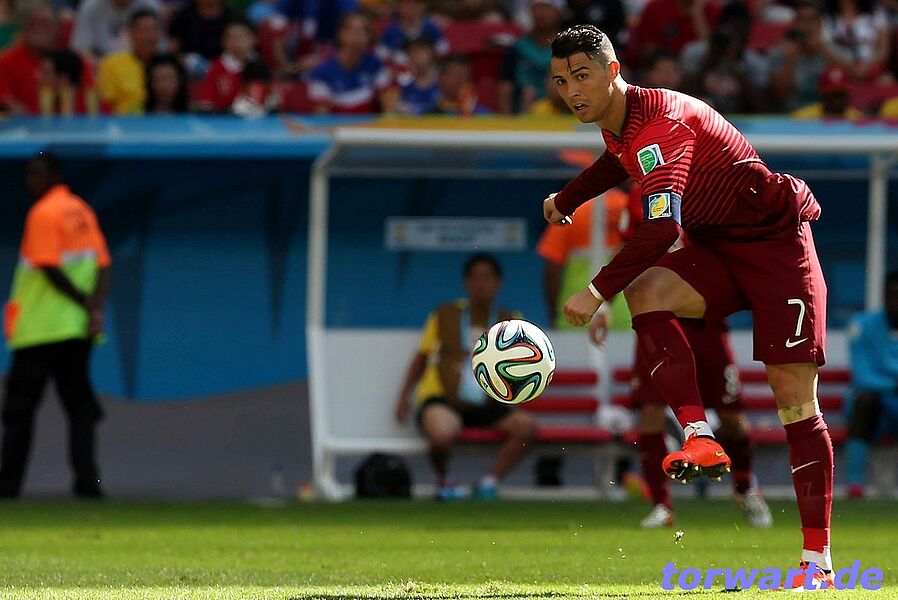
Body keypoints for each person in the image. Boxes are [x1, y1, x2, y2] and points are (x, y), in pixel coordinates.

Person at [543, 25, 834, 588]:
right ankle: (699, 436)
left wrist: (595, 290)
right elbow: (618, 162)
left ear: (612, 71)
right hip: (717, 247)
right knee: (648, 290)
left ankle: (817, 564)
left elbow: (661, 228)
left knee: (795, 402)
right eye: (560, 81)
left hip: (777, 247)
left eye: (581, 76)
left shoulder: (662, 125)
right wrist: (569, 198)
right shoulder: (622, 125)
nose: (572, 91)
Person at [0, 152, 111, 499]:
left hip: (41, 329)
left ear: (54, 176)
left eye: (35, 175)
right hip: (76, 329)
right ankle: (88, 485)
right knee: (80, 408)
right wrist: (94, 307)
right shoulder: (82, 210)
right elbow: (103, 264)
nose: (30, 182)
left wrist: (82, 301)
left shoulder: (43, 212)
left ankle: (8, 487)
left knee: (19, 411)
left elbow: (47, 266)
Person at [394, 254, 536, 500]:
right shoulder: (444, 314)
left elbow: (524, 365)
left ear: (498, 283)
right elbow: (422, 357)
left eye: (487, 278)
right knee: (441, 434)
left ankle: (488, 483)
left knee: (526, 427)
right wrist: (404, 395)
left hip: (489, 402)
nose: (481, 284)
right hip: (446, 400)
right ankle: (446, 482)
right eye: (475, 278)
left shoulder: (512, 320)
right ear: (466, 283)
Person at [843, 271, 898, 499]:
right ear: (884, 295)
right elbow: (862, 376)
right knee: (864, 401)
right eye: (893, 294)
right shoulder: (861, 325)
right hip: (874, 405)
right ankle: (855, 484)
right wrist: (893, 384)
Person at [308, 11, 397, 114]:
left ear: (369, 37)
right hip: (336, 122)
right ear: (341, 34)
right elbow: (321, 112)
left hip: (369, 122)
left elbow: (389, 102)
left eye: (363, 31)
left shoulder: (376, 64)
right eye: (353, 30)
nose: (357, 35)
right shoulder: (322, 70)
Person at [97, 9, 161, 114]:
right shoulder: (111, 64)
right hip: (123, 122)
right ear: (131, 33)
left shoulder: (169, 64)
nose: (149, 36)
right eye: (144, 30)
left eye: (153, 30)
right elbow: (106, 105)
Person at [195, 18, 258, 113]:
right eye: (232, 37)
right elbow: (205, 105)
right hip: (222, 119)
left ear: (253, 39)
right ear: (223, 41)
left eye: (241, 36)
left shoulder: (262, 65)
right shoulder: (214, 67)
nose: (237, 42)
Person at [71, 0, 161, 58]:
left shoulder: (151, 6)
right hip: (101, 65)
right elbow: (81, 49)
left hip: (142, 64)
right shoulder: (91, 6)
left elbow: (160, 47)